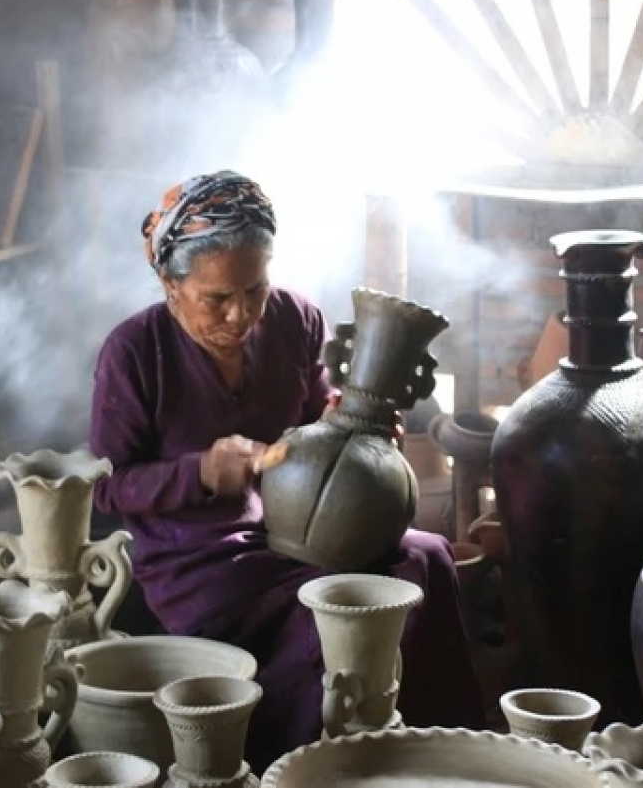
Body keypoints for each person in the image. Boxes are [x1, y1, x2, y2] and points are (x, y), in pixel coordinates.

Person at [89, 170, 485, 773]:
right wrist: (200, 471)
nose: (240, 313)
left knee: (428, 557)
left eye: (255, 289)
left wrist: (360, 432)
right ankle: (303, 767)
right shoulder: (135, 351)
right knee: (324, 614)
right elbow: (110, 485)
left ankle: (442, 752)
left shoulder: (295, 319)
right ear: (171, 286)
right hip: (196, 555)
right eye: (216, 299)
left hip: (298, 526)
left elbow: (317, 417)